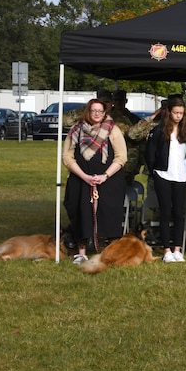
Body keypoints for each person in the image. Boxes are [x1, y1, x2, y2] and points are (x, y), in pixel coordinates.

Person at [62, 98, 127, 263]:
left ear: (105, 113)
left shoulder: (113, 130)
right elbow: (67, 157)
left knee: (109, 214)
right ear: (88, 112)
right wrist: (84, 176)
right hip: (81, 179)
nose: (97, 114)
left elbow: (121, 157)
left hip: (108, 180)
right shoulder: (76, 130)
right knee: (79, 212)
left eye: (100, 111)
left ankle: (108, 253)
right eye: (94, 110)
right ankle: (82, 251)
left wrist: (104, 176)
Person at [144, 97, 186, 262]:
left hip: (182, 176)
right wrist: (155, 172)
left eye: (181, 113)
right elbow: (150, 154)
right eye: (175, 112)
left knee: (179, 213)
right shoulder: (159, 131)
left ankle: (177, 249)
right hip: (163, 175)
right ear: (169, 112)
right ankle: (166, 251)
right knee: (165, 213)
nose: (178, 116)